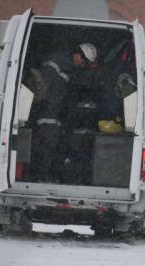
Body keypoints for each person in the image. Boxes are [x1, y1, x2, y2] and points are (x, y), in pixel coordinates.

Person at [29, 43, 98, 181]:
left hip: (52, 115)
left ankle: (47, 177)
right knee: (48, 145)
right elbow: (47, 92)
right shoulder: (57, 64)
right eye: (83, 61)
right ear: (79, 54)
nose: (82, 65)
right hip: (47, 115)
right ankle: (43, 178)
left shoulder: (67, 66)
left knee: (52, 146)